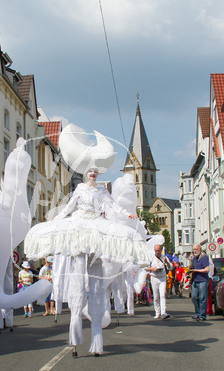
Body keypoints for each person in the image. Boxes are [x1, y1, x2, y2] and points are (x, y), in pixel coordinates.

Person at [24, 124, 148, 355]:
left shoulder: (102, 191)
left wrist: (128, 214)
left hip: (96, 233)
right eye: (90, 171)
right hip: (79, 231)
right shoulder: (79, 190)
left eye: (95, 171)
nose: (93, 173)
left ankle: (97, 341)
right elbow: (67, 208)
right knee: (78, 287)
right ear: (84, 173)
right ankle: (74, 334)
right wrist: (54, 220)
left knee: (97, 287)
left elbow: (114, 206)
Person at [146, 244, 171, 320]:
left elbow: (170, 267)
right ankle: (157, 312)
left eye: (158, 251)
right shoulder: (151, 257)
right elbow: (145, 267)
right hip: (154, 277)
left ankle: (164, 312)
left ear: (161, 250)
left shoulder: (164, 257)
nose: (157, 252)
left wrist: (166, 262)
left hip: (162, 277)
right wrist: (152, 269)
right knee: (156, 296)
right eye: (156, 251)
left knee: (162, 295)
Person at [189, 244, 210, 321]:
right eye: (194, 249)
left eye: (196, 249)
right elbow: (193, 267)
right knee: (194, 297)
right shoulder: (194, 258)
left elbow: (207, 269)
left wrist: (196, 270)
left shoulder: (204, 257)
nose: (195, 251)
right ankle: (197, 313)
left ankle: (202, 315)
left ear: (200, 249)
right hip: (195, 280)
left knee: (202, 298)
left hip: (202, 280)